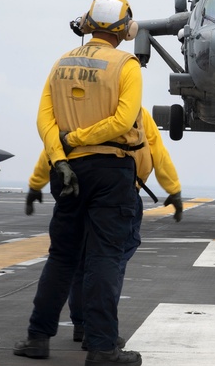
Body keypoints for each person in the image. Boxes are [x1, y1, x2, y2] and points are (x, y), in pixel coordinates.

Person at [14, 0, 146, 366]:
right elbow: (123, 122)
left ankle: (37, 338)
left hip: (67, 171)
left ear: (87, 23)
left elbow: (46, 122)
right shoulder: (127, 65)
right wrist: (82, 140)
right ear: (124, 29)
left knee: (62, 257)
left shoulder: (61, 63)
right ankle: (103, 347)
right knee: (104, 256)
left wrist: (61, 157)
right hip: (110, 171)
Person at [25, 107, 183, 345]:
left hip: (75, 187)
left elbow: (52, 148)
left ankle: (60, 331)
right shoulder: (134, 113)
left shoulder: (73, 116)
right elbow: (157, 150)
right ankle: (96, 333)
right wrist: (173, 189)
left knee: (70, 260)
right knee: (109, 262)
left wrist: (36, 183)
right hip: (119, 191)